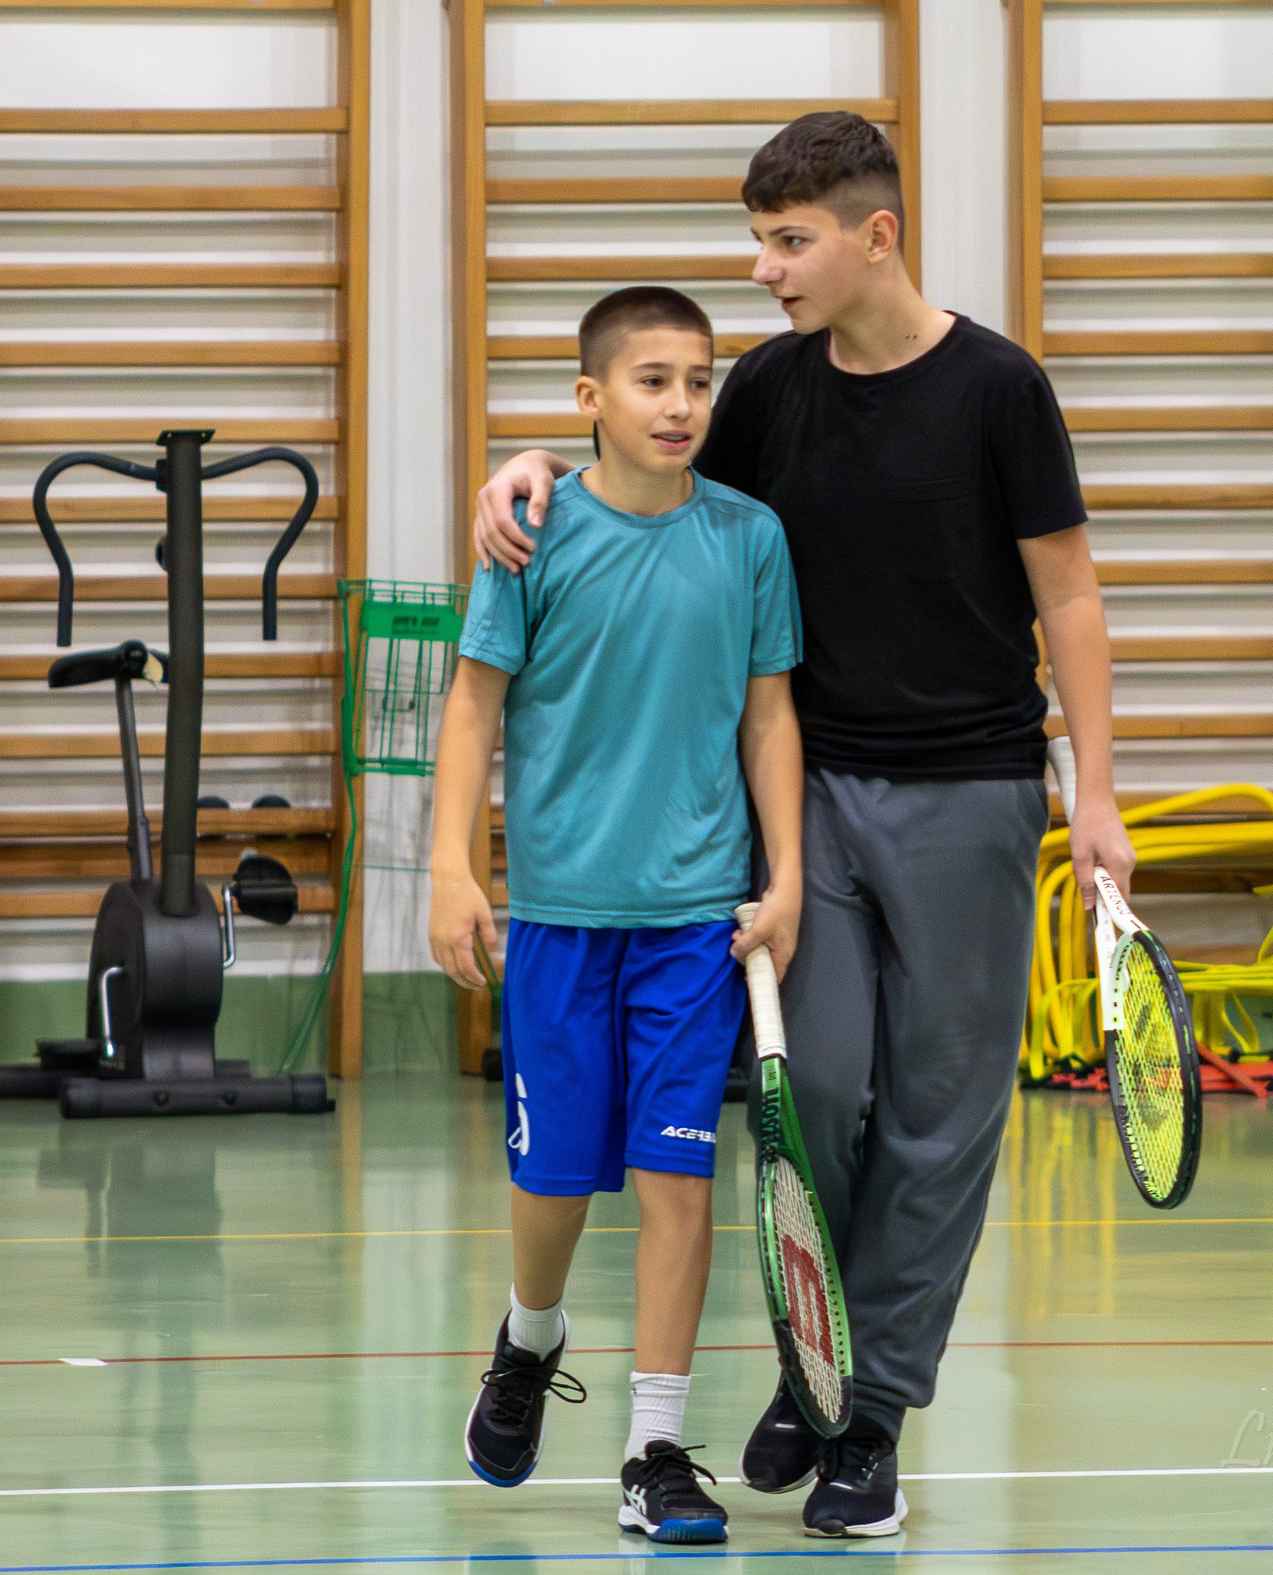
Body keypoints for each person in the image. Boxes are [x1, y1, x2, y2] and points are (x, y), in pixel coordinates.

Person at [472, 113, 1134, 1537]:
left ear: (872, 236)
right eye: (761, 241)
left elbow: (1069, 596)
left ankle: (871, 1409)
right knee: (813, 1091)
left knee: (944, 1120)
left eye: (788, 242)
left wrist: (1099, 793)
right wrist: (522, 459)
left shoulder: (1001, 389)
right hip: (817, 795)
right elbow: (648, 466)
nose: (763, 270)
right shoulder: (770, 389)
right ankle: (813, 1364)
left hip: (974, 794)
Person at [430, 287, 806, 1545]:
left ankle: (655, 1449)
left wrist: (787, 874)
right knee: (553, 1183)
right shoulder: (531, 534)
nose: (681, 404)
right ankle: (530, 1334)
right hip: (555, 917)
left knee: (678, 1183)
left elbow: (768, 717)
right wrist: (449, 867)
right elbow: (474, 707)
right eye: (651, 380)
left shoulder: (750, 537)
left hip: (695, 924)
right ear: (589, 398)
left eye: (698, 380)